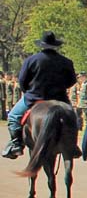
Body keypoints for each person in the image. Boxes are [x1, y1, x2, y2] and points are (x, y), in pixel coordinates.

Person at [4, 31, 78, 159]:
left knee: (13, 116)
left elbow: (22, 80)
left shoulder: (31, 60)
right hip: (60, 98)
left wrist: (28, 91)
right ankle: (72, 145)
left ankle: (16, 144)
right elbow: (72, 81)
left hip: (35, 97)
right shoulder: (66, 61)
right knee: (72, 117)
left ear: (41, 45)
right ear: (55, 45)